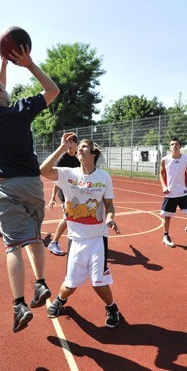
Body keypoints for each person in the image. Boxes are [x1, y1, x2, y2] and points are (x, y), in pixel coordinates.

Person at [0, 45, 59, 333]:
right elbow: (52, 90)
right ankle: (41, 283)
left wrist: (3, 67)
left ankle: (19, 304)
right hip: (34, 183)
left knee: (12, 245)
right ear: (0, 94)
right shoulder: (22, 110)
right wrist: (30, 64)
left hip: (8, 185)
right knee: (35, 237)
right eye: (3, 90)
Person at [40, 135, 122, 328]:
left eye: (85, 147)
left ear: (93, 153)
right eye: (80, 147)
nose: (81, 149)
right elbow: (43, 171)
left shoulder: (104, 177)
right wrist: (61, 148)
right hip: (76, 238)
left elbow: (109, 205)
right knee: (70, 285)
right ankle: (60, 300)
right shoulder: (69, 174)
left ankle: (112, 307)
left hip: (97, 238)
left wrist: (109, 218)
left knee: (98, 282)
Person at [159, 137, 187, 247]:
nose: (174, 146)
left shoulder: (186, 159)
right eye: (172, 144)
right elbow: (160, 174)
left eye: (176, 144)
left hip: (183, 191)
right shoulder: (165, 159)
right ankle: (166, 236)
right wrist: (163, 186)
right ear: (169, 147)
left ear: (180, 146)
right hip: (170, 192)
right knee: (167, 216)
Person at [47, 134, 80, 256]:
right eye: (68, 141)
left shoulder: (78, 160)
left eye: (73, 141)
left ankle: (77, 241)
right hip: (64, 193)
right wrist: (52, 198)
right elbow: (57, 180)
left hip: (74, 192)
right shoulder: (63, 159)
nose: (70, 143)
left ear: (76, 144)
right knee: (67, 218)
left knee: (75, 217)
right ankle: (54, 242)